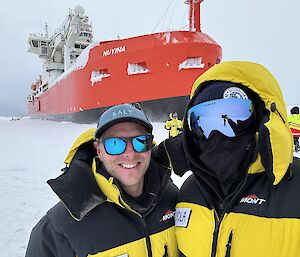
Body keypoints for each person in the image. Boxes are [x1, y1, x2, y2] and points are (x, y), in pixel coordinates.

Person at [155, 61, 300, 257]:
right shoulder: (190, 191)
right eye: (203, 123)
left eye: (232, 118)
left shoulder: (295, 190)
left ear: (261, 118)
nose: (217, 135)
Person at [25, 103, 179, 257]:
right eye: (115, 144)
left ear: (150, 146)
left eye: (140, 141)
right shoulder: (58, 230)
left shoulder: (174, 198)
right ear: (99, 150)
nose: (130, 154)